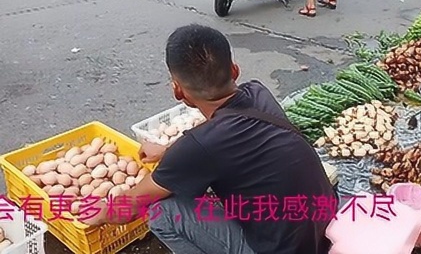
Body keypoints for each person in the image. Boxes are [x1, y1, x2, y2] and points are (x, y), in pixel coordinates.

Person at [81, 24, 337, 254]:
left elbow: (132, 205)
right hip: (322, 233)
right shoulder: (258, 93)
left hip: (278, 248)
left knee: (162, 212)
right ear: (235, 70)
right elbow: (222, 134)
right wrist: (167, 150)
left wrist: (102, 212)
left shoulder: (200, 146)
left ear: (177, 90)